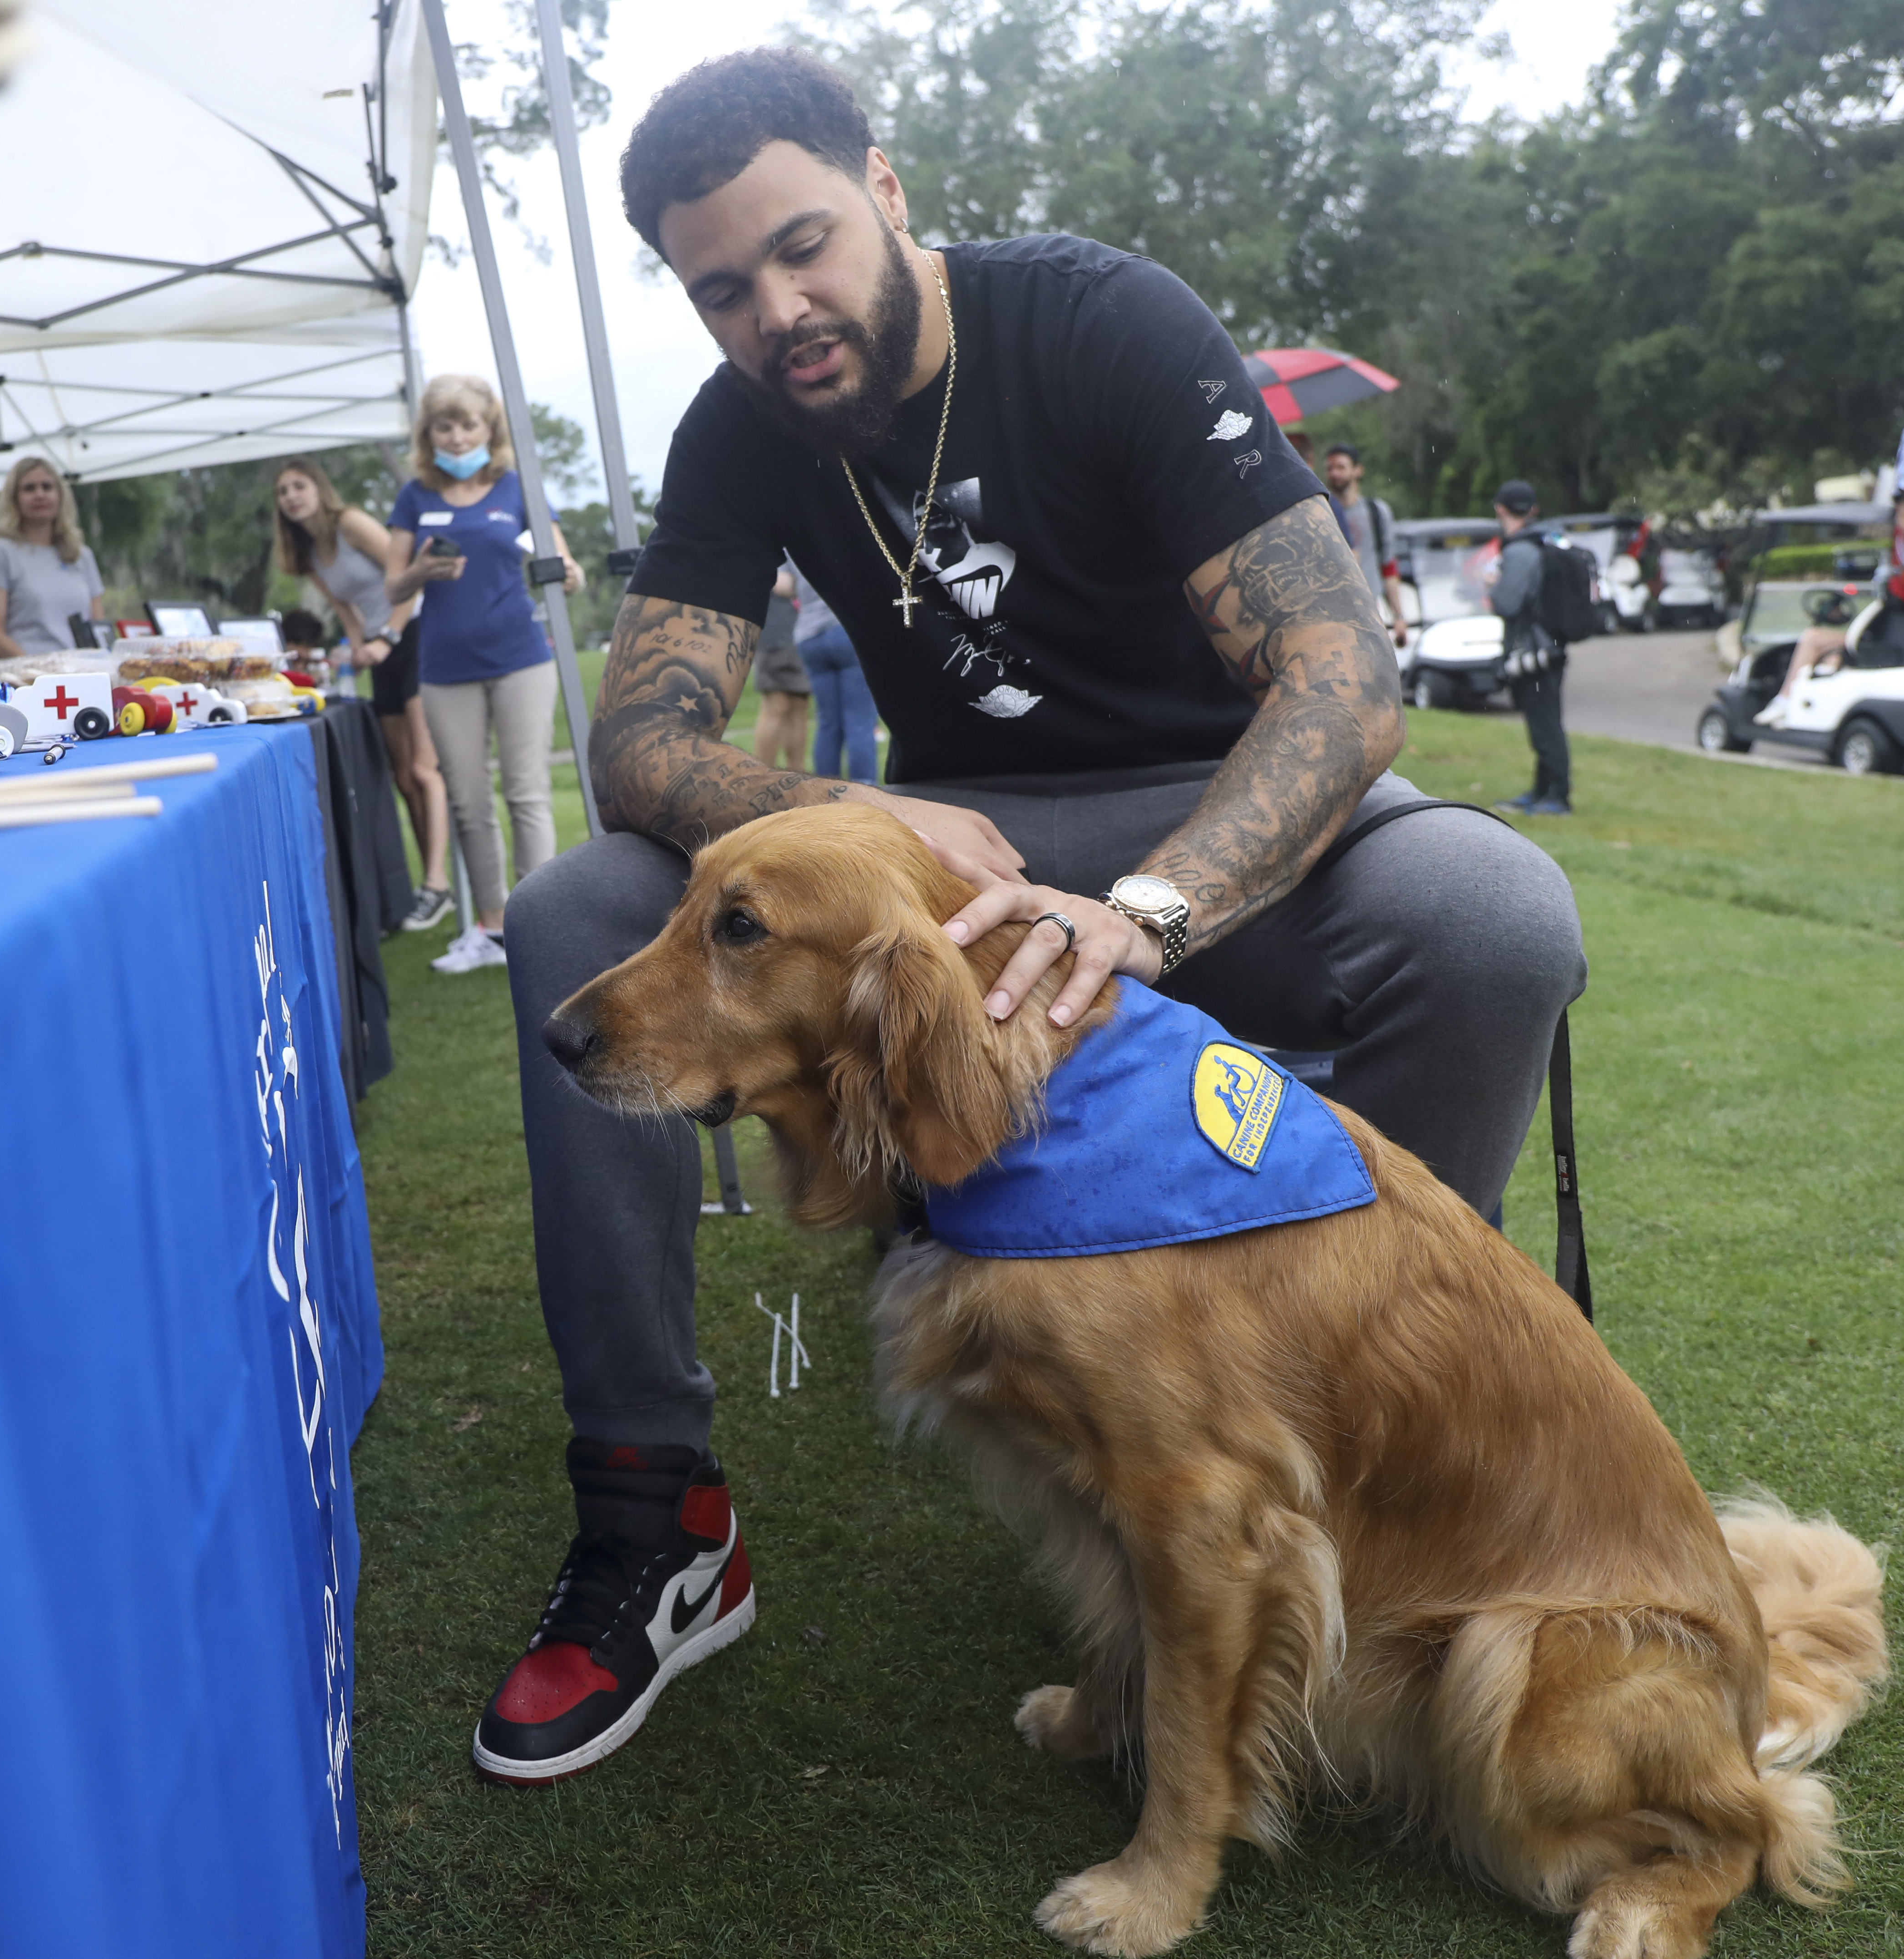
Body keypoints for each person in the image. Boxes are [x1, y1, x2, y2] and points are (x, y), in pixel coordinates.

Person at [472, 49, 1584, 1788]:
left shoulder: (1099, 322)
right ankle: (655, 1514)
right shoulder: (738, 428)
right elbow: (637, 742)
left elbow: (1342, 669)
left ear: (890, 190)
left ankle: (1368, 1437)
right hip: (946, 841)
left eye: (804, 245)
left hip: (1206, 812)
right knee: (570, 909)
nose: (778, 311)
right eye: (722, 291)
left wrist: (1158, 902)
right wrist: (848, 816)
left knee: (1491, 908)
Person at [382, 374, 586, 975]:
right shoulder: (415, 496)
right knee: (469, 801)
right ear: (430, 434)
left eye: (467, 424)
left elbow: (563, 564)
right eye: (445, 425)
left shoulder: (517, 488)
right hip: (445, 670)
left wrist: (568, 573)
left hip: (521, 658)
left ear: (487, 428)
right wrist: (421, 571)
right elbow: (392, 585)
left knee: (526, 790)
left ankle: (541, 923)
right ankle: (493, 929)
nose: (457, 434)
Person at [276, 459, 454, 925]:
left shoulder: (350, 523)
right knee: (402, 775)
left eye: (299, 485)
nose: (292, 496)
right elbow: (347, 609)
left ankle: (436, 881)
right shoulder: (307, 553)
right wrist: (358, 647)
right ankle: (435, 890)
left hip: (413, 636)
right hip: (379, 649)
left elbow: (409, 580)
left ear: (319, 487)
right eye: (283, 491)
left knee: (423, 767)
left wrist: (387, 638)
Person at [1489, 480, 1571, 816]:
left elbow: (1507, 604)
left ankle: (1556, 797)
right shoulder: (1546, 542)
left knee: (1545, 725)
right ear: (1533, 511)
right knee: (1546, 720)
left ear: (1500, 509)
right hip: (1550, 647)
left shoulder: (1519, 550)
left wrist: (1492, 587)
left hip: (1533, 653)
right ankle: (1541, 791)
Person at [0, 457, 103, 665]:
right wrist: (37, 669)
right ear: (14, 499)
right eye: (29, 489)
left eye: (47, 487)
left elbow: (98, 626)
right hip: (27, 677)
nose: (40, 494)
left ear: (60, 495)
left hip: (83, 672)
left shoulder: (81, 555)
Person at [792, 560, 878, 779]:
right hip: (846, 630)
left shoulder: (795, 535)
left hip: (809, 636)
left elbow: (781, 584)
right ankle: (865, 791)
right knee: (860, 720)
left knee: (828, 722)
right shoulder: (846, 529)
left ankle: (826, 793)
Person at [1322, 443, 1410, 649]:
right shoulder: (1322, 513)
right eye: (1330, 468)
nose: (1335, 474)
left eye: (1341, 467)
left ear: (1357, 470)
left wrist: (1399, 616)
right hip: (1333, 614)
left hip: (1371, 610)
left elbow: (1388, 567)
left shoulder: (1376, 513)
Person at [750, 567, 811, 768]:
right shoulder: (780, 545)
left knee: (796, 706)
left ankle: (794, 775)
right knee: (779, 707)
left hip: (788, 633)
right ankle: (765, 775)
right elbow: (781, 583)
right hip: (781, 634)